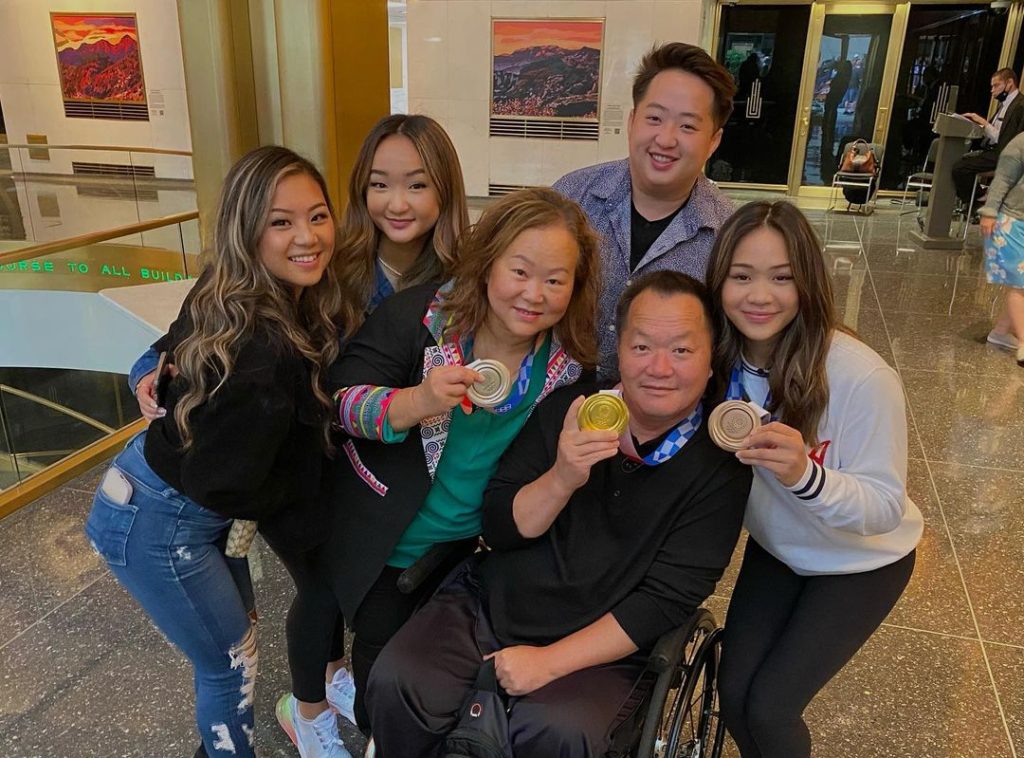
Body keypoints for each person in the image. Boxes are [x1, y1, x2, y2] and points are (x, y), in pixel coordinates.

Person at [126, 115, 470, 757]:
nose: (397, 202)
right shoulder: (322, 256)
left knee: (373, 592)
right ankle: (306, 711)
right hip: (301, 463)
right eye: (379, 183)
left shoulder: (462, 279)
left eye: (418, 184)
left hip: (398, 470)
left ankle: (337, 677)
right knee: (325, 587)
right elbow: (203, 316)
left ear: (446, 191)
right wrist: (149, 369)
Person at [365, 271, 751, 757]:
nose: (659, 367)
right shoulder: (572, 406)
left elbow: (665, 599)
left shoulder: (719, 467)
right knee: (400, 680)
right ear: (620, 352)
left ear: (711, 361)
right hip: (493, 605)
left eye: (681, 350)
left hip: (602, 645)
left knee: (557, 730)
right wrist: (563, 476)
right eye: (641, 347)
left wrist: (549, 662)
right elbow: (501, 524)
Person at [83, 146, 344, 758]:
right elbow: (221, 483)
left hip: (163, 498)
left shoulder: (239, 287)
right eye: (280, 222)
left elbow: (170, 344)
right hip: (161, 520)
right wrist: (300, 479)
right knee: (230, 662)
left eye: (318, 215)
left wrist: (148, 368)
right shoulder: (262, 348)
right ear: (246, 230)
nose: (307, 237)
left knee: (235, 641)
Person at [317, 187, 602, 735]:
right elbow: (338, 403)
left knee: (438, 684)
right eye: (520, 271)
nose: (534, 294)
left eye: (555, 279)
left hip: (473, 555)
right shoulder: (424, 318)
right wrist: (416, 401)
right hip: (386, 544)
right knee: (382, 684)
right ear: (488, 262)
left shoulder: (568, 366)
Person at [708, 201, 924, 758]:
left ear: (809, 283)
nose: (760, 295)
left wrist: (807, 474)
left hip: (860, 562)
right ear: (718, 281)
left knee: (772, 709)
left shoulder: (860, 374)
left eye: (783, 277)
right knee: (733, 697)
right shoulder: (713, 365)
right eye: (741, 276)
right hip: (778, 549)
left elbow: (883, 507)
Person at [554, 42, 736, 378]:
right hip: (551, 403)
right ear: (633, 120)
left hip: (665, 415)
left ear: (713, 141)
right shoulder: (571, 197)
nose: (665, 139)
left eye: (688, 127)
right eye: (654, 118)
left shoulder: (728, 236)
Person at [979, 130, 1024, 366]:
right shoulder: (1019, 144)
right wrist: (989, 213)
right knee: (1019, 282)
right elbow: (1002, 179)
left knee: (1021, 283)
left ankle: (1001, 332)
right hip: (1013, 221)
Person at [952, 68, 1024, 208]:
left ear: (1009, 83)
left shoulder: (1019, 106)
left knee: (960, 168)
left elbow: (1004, 138)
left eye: (996, 85)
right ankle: (977, 199)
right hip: (992, 150)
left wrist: (983, 123)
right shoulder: (1004, 105)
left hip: (1004, 155)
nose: (992, 90)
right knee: (961, 159)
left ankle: (977, 203)